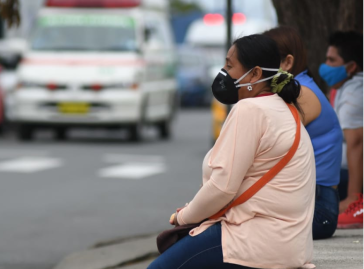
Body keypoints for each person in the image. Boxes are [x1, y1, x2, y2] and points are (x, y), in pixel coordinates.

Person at [148, 34, 315, 269]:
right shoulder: (286, 109)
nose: (224, 73)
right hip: (289, 243)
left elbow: (222, 188)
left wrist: (183, 217)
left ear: (255, 74)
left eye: (229, 65)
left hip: (254, 240)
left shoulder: (250, 109)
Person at [263, 26, 342, 239]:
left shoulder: (303, 93)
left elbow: (268, 147)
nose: (258, 69)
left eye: (264, 61)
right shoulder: (299, 87)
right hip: (305, 203)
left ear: (287, 62)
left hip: (318, 210)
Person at [319, 31, 363, 229]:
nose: (325, 66)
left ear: (351, 66)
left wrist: (352, 198)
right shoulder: (343, 87)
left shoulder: (355, 93)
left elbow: (356, 143)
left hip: (349, 177)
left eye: (331, 60)